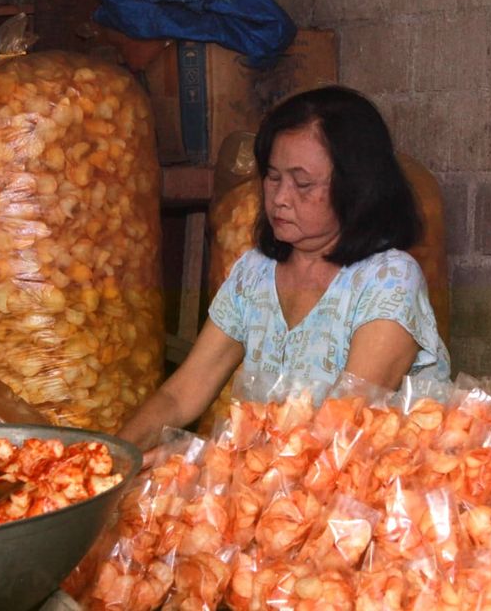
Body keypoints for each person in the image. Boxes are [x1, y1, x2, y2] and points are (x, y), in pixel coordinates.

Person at [118, 86, 450, 450]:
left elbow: (342, 427)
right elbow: (181, 394)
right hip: (272, 482)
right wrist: (118, 456)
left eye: (302, 183)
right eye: (273, 177)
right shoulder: (254, 273)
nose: (280, 198)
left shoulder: (389, 281)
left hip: (368, 490)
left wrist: (206, 466)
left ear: (356, 188)